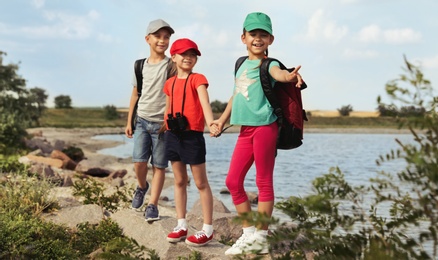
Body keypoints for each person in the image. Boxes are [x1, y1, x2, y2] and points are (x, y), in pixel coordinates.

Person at [212, 12, 304, 255]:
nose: (258, 39)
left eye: (263, 35)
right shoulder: (240, 64)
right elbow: (236, 94)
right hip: (245, 130)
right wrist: (221, 120)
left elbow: (280, 75)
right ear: (243, 37)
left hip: (265, 127)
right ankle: (249, 233)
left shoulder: (270, 64)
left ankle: (261, 236)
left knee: (263, 181)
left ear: (271, 39)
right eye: (253, 34)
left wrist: (290, 75)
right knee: (233, 181)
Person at [163, 38, 218, 247]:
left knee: (201, 183)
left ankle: (208, 229)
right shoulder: (169, 83)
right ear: (174, 57)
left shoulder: (198, 79)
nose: (189, 57)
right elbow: (167, 109)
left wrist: (211, 123)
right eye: (184, 54)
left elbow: (205, 103)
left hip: (192, 136)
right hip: (172, 135)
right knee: (178, 181)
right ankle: (181, 224)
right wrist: (164, 128)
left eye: (193, 54)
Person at [125, 19, 175, 222]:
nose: (162, 41)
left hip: (162, 125)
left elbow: (173, 93)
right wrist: (129, 121)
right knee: (139, 162)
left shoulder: (171, 65)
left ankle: (153, 205)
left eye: (166, 37)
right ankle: (142, 187)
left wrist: (168, 117)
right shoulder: (140, 65)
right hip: (142, 121)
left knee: (160, 166)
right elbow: (135, 94)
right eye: (158, 36)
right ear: (148, 39)